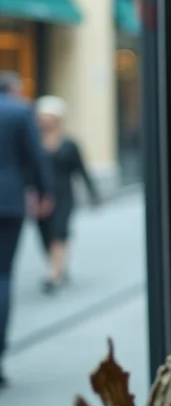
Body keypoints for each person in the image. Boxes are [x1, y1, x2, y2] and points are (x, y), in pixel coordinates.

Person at [0, 72, 52, 385]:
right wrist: (45, 192)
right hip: (9, 202)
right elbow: (36, 156)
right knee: (3, 275)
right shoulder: (20, 111)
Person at [34, 95, 100, 292]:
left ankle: (53, 274)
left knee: (58, 231)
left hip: (63, 194)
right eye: (42, 117)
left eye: (49, 117)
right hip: (41, 195)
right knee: (45, 234)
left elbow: (81, 170)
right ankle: (58, 264)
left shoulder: (69, 144)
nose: (45, 121)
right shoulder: (35, 142)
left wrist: (92, 194)